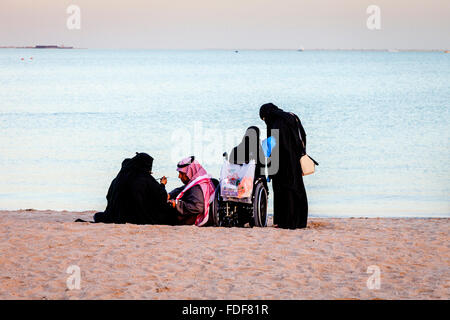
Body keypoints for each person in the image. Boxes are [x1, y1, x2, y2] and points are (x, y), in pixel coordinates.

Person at [259, 103, 308, 229]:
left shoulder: (276, 123)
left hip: (282, 164)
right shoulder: (292, 117)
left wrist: (271, 167)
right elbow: (303, 136)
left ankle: (285, 222)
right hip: (295, 160)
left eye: (264, 119)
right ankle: (300, 221)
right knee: (297, 188)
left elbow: (275, 147)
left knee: (283, 191)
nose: (265, 122)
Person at [93, 152, 176, 225]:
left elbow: (109, 196)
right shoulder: (145, 178)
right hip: (138, 217)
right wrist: (162, 184)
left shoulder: (119, 178)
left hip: (117, 214)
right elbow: (160, 198)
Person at [167, 156, 215, 226]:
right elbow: (183, 188)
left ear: (189, 172)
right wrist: (170, 195)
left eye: (181, 173)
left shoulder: (197, 187)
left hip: (193, 219)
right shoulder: (198, 180)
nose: (179, 176)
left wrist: (176, 204)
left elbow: (197, 207)